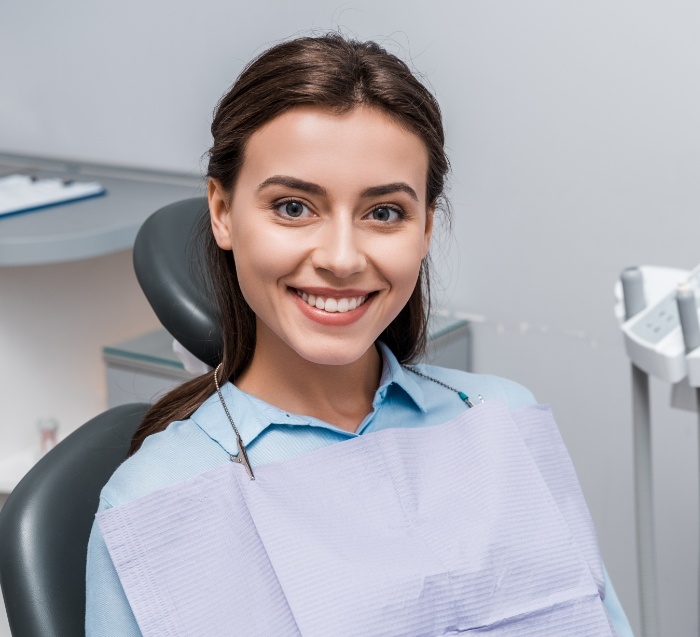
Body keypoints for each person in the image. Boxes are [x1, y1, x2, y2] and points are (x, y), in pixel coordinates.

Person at [86, 34, 633, 636]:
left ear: (425, 228)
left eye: (384, 213)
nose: (342, 258)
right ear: (221, 211)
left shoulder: (500, 418)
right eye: (294, 207)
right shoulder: (155, 497)